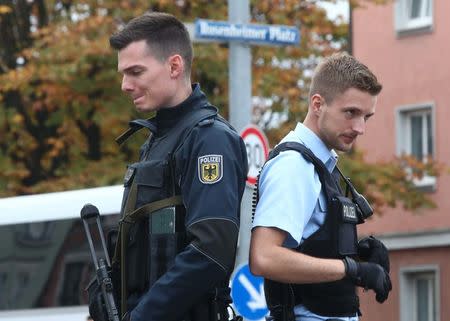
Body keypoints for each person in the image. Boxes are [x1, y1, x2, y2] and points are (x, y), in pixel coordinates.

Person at [88, 12, 248, 321]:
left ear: (174, 66)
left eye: (136, 72)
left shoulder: (209, 139)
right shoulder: (159, 140)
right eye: (123, 73)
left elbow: (211, 251)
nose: (125, 85)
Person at [249, 53, 392, 321]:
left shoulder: (318, 163)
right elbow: (264, 258)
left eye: (366, 116)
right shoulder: (294, 165)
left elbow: (307, 243)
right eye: (351, 113)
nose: (360, 127)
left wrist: (356, 252)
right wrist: (351, 270)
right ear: (318, 104)